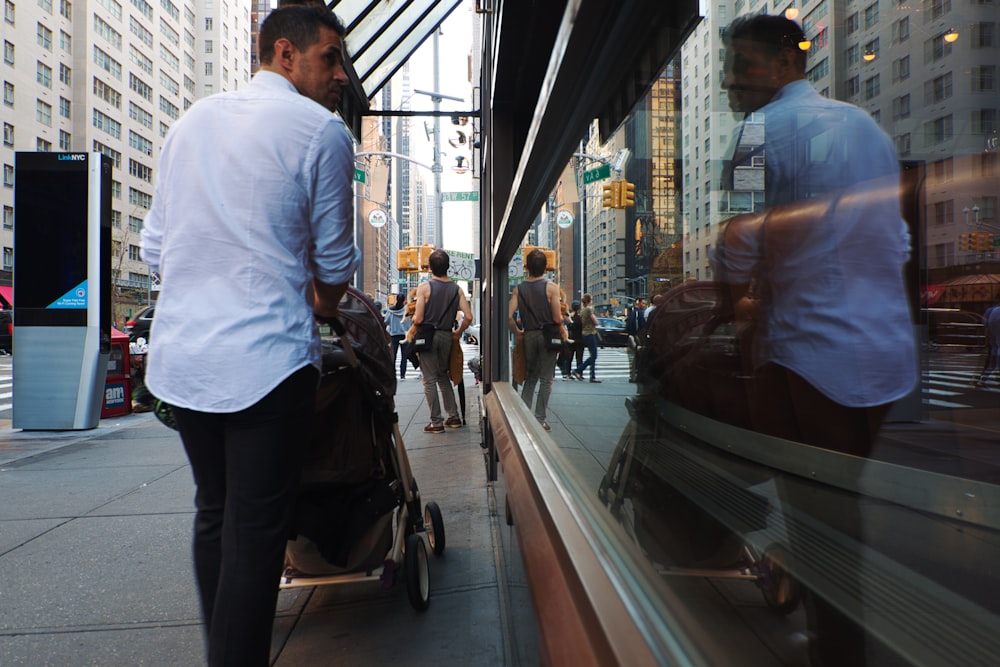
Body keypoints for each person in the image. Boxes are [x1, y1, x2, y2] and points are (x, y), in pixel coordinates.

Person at [139, 7, 360, 665]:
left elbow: (155, 247)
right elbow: (334, 272)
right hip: (267, 363)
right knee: (256, 531)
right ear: (285, 54)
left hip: (185, 362)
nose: (341, 76)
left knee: (216, 512)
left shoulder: (191, 123)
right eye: (330, 59)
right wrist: (315, 300)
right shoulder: (321, 133)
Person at [713, 14, 917, 666]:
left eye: (743, 64)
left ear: (784, 62)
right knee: (840, 514)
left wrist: (728, 304)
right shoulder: (868, 130)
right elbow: (900, 239)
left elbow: (736, 238)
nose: (729, 80)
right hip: (887, 357)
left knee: (822, 527)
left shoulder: (753, 133)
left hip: (809, 357)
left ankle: (840, 650)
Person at [413, 249, 473, 433]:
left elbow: (419, 319)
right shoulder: (457, 289)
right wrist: (457, 332)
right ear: (448, 267)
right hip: (447, 335)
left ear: (430, 267)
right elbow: (468, 317)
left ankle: (436, 422)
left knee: (429, 379)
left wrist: (414, 320)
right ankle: (453, 417)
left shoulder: (424, 288)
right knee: (442, 375)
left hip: (428, 337)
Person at [508, 249, 564, 430]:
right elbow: (557, 318)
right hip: (548, 336)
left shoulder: (519, 289)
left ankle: (524, 417)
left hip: (529, 335)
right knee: (546, 379)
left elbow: (509, 316)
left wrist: (517, 332)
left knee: (530, 377)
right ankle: (540, 419)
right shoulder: (552, 288)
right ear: (545, 267)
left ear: (527, 267)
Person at [573, 293, 600, 383]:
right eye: (591, 299)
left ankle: (592, 376)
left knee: (592, 355)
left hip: (584, 333)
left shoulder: (582, 310)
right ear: (589, 301)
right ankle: (578, 370)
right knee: (594, 356)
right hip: (590, 333)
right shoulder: (589, 309)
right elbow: (595, 322)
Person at [385, 292, 410, 380]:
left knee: (393, 356)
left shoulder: (390, 310)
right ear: (404, 301)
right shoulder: (407, 310)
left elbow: (386, 322)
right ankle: (402, 375)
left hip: (394, 335)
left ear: (396, 300)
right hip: (405, 335)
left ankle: (392, 374)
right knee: (404, 356)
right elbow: (410, 322)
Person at [625, 297, 647, 382]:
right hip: (636, 337)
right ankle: (635, 376)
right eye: (643, 303)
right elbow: (639, 326)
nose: (644, 305)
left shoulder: (632, 313)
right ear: (638, 303)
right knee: (636, 358)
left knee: (633, 358)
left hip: (632, 337)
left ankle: (633, 376)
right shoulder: (638, 313)